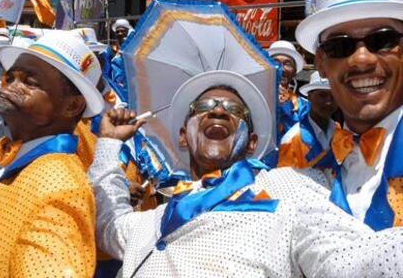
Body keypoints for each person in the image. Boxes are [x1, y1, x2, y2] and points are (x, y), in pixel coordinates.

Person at [89, 70, 403, 277]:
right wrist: (107, 143)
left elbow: (348, 258)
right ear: (183, 136)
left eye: (235, 110)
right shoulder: (153, 219)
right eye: (204, 105)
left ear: (252, 143)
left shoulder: (286, 186)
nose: (218, 110)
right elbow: (108, 224)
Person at [0, 32, 104, 276]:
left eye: (30, 83)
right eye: (10, 78)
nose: (11, 86)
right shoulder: (18, 158)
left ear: (72, 106)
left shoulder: (61, 185)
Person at [296, 0, 403, 231]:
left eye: (382, 40)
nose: (361, 60)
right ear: (320, 62)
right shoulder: (315, 175)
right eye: (339, 46)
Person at [277, 71, 338, 176]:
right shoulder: (292, 140)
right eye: (323, 95)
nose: (329, 102)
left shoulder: (340, 133)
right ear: (309, 97)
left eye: (334, 96)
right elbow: (285, 183)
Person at [268, 40, 310, 139]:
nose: (281, 69)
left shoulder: (305, 107)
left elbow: (304, 140)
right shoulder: (254, 98)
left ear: (295, 72)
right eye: (275, 63)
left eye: (287, 64)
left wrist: (287, 108)